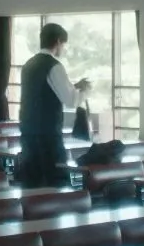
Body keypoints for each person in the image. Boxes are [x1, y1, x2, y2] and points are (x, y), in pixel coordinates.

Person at [18, 23, 91, 187]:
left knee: (32, 181)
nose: (63, 49)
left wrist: (74, 86)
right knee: (56, 181)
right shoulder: (54, 66)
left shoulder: (28, 65)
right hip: (48, 134)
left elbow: (43, 91)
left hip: (28, 132)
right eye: (64, 45)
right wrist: (85, 92)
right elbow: (71, 101)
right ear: (58, 42)